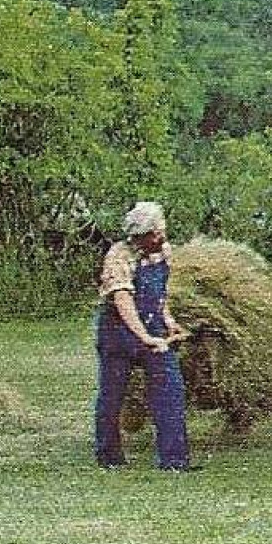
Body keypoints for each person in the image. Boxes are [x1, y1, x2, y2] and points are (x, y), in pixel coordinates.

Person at [93, 201, 195, 472]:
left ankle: (175, 460)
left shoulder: (163, 252)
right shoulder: (119, 257)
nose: (162, 237)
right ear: (139, 236)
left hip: (153, 329)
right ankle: (109, 456)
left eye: (162, 231)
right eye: (156, 234)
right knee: (112, 396)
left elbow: (159, 294)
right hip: (118, 333)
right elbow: (123, 301)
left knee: (171, 392)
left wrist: (168, 322)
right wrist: (146, 338)